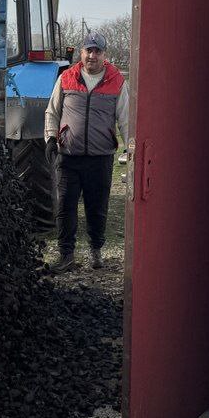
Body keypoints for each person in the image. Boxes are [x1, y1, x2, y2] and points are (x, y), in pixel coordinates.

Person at [44, 32, 129, 272]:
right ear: (81, 53)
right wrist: (50, 138)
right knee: (66, 207)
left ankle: (96, 251)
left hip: (100, 158)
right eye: (88, 50)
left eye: (97, 51)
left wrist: (130, 147)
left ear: (104, 54)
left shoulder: (117, 82)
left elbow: (126, 118)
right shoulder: (67, 77)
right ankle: (66, 255)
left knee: (97, 206)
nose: (92, 55)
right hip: (69, 155)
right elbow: (53, 111)